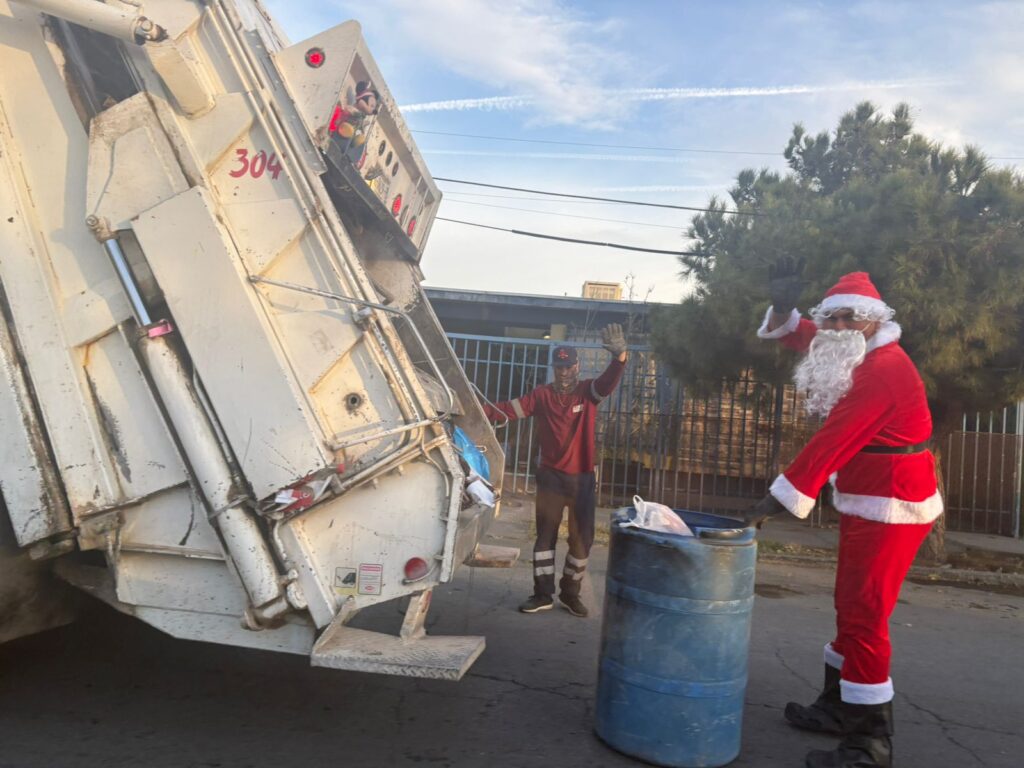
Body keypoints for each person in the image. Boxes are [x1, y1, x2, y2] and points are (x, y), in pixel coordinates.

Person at [746, 265, 942, 768]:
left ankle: (869, 746)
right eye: (830, 318)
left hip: (894, 504)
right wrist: (785, 311)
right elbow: (805, 336)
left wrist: (776, 500)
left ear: (873, 320)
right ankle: (838, 707)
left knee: (865, 615)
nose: (835, 328)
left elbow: (834, 440)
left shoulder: (884, 371)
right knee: (850, 606)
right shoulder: (855, 346)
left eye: (847, 319)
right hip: (867, 497)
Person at [482, 324, 628, 618]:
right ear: (554, 368)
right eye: (559, 367)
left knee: (582, 540)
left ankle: (571, 594)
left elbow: (608, 382)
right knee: (545, 538)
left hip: (582, 479)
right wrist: (473, 409)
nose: (563, 372)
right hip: (550, 478)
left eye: (568, 367)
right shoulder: (542, 395)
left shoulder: (588, 392)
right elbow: (509, 410)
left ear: (577, 366)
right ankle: (542, 594)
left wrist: (620, 357)